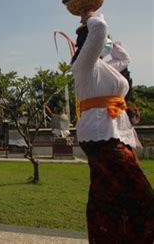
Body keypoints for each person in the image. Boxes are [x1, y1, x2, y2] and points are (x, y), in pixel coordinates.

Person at [71, 12, 154, 242]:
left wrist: (112, 42)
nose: (106, 42)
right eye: (104, 40)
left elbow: (123, 58)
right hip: (102, 135)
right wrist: (89, 16)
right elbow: (98, 29)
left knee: (106, 195)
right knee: (141, 194)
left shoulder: (103, 68)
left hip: (113, 131)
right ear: (90, 43)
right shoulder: (84, 65)